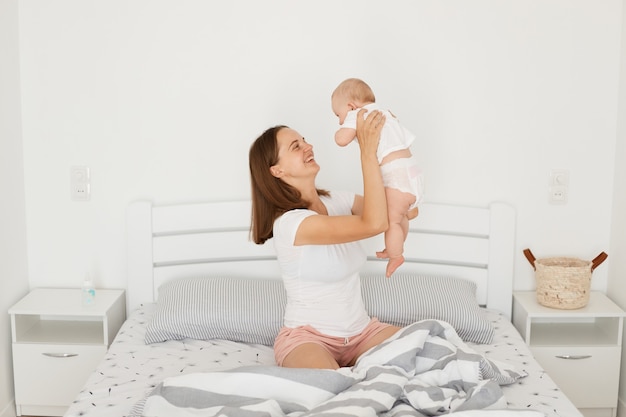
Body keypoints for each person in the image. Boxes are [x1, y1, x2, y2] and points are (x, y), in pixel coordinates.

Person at [249, 110, 415, 370]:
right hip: (308, 340)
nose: (308, 146)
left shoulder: (339, 200)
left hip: (363, 335)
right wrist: (366, 153)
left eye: (304, 140)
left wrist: (388, 141)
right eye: (296, 146)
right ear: (277, 170)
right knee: (333, 386)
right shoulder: (290, 225)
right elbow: (375, 223)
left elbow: (402, 209)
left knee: (428, 345)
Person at [331, 78, 424, 278]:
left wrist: (340, 131)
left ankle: (396, 254)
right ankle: (395, 245)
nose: (340, 120)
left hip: (396, 178)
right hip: (413, 173)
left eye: (338, 115)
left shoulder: (358, 114)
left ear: (350, 106)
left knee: (391, 221)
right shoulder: (386, 113)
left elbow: (342, 139)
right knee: (400, 217)